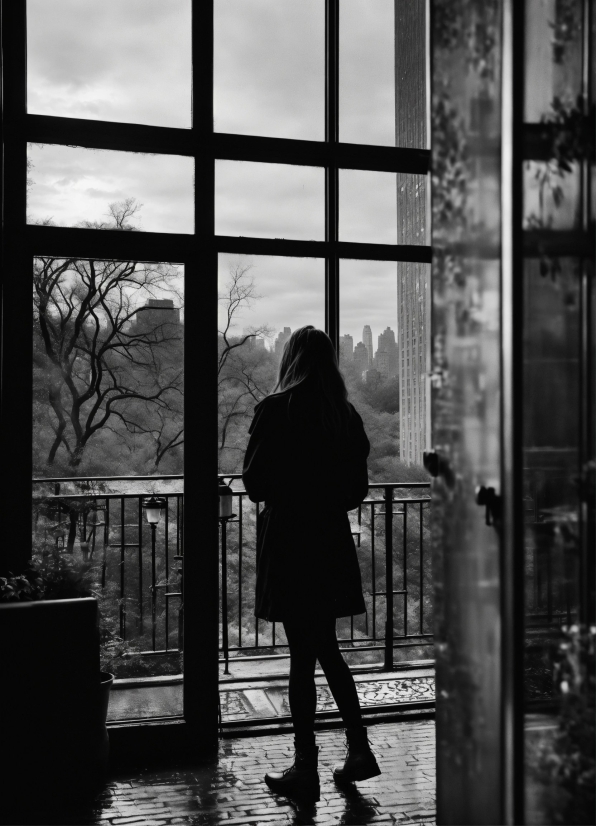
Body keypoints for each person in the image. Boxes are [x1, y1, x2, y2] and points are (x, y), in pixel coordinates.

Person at [242, 326, 381, 800]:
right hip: (328, 543)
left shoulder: (275, 410)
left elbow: (256, 484)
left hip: (289, 544)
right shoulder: (344, 415)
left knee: (304, 656)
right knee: (323, 647)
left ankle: (308, 766)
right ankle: (357, 751)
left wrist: (292, 492)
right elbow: (356, 491)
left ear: (291, 360)